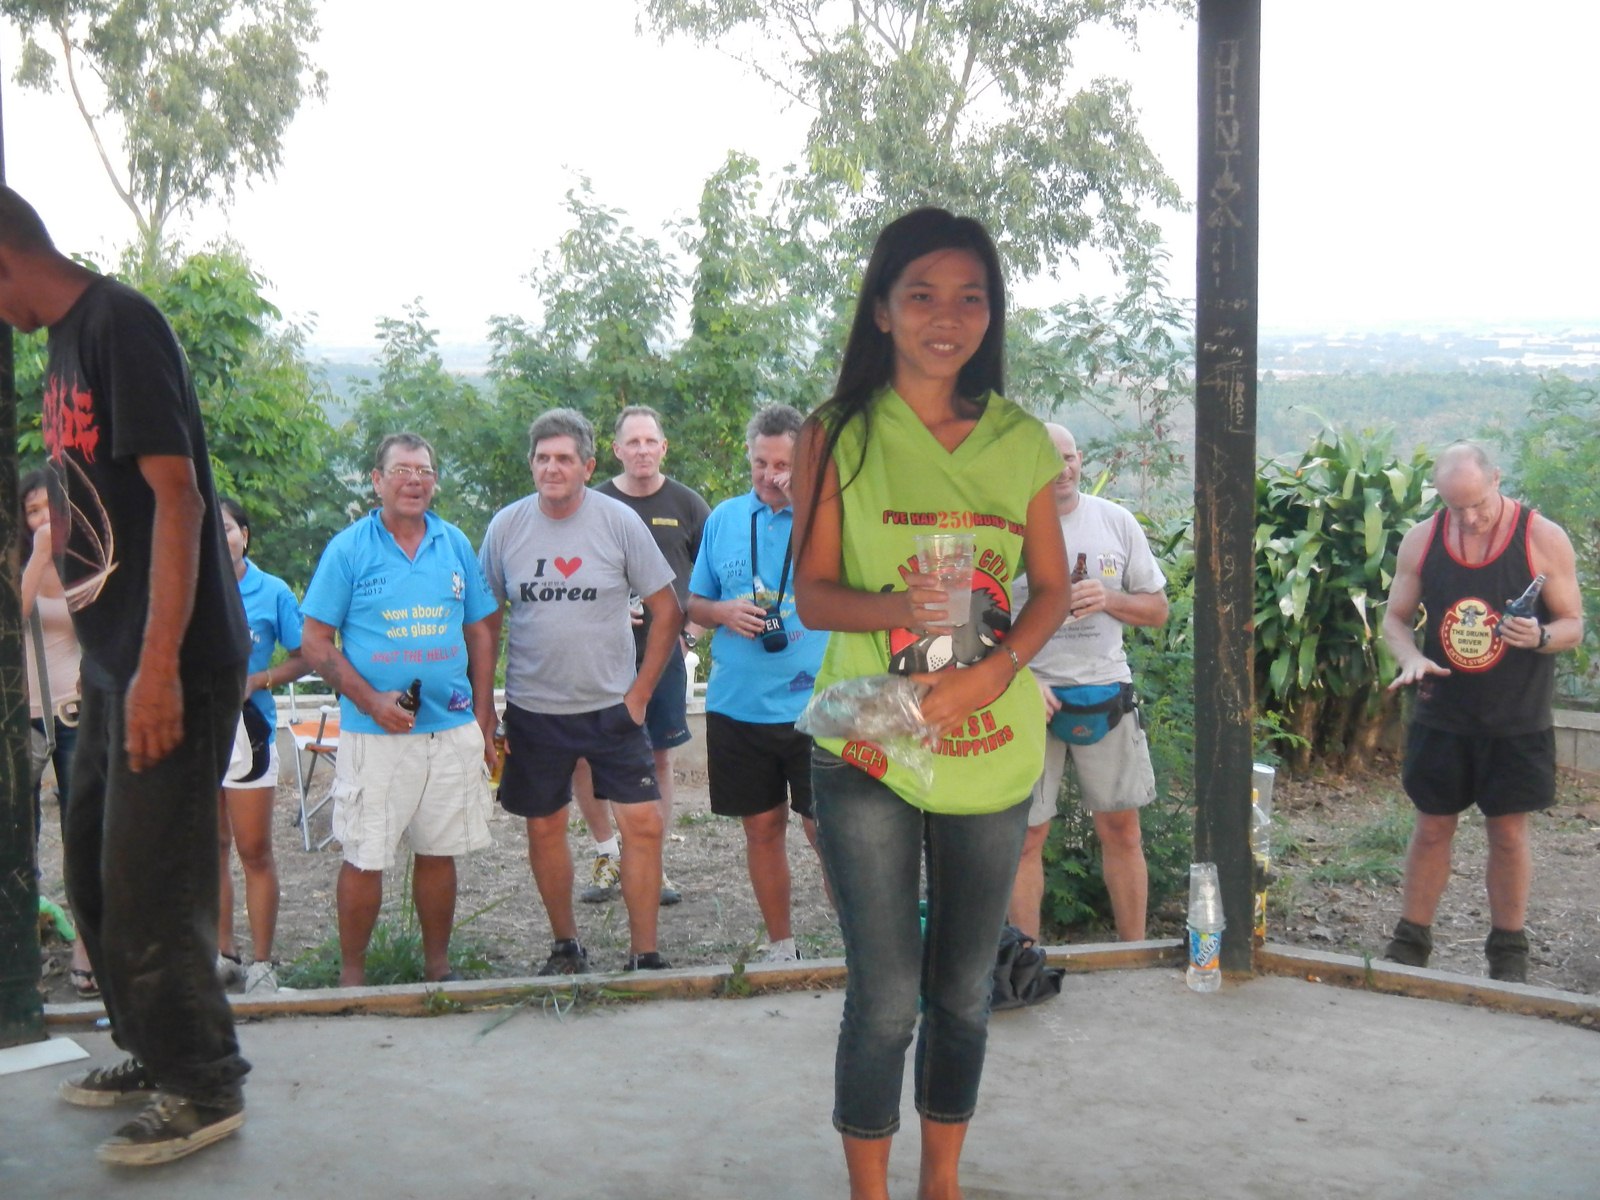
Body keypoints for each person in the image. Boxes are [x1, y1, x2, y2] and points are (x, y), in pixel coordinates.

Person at [791, 208, 1069, 1200]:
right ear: (881, 310)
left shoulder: (1019, 441)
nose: (946, 317)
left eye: (970, 298)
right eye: (921, 295)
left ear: (991, 315)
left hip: (988, 742)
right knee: (886, 999)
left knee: (961, 991)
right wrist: (897, 607)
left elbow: (1051, 589)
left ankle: (940, 1184)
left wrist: (996, 672)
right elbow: (812, 595)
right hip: (869, 737)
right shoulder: (838, 434)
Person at [0, 186, 252, 1166]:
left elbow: (179, 499)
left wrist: (157, 673)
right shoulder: (64, 341)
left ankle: (205, 1082)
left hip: (171, 656)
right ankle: (154, 1053)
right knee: (97, 874)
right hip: (115, 656)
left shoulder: (121, 324)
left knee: (155, 879)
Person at [479, 408, 684, 973]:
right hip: (535, 708)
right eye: (543, 458)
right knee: (545, 826)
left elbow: (667, 610)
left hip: (612, 708)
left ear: (588, 466)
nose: (553, 468)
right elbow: (484, 623)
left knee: (642, 824)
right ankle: (565, 946)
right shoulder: (506, 527)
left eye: (565, 458)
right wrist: (485, 707)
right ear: (531, 464)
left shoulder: (618, 522)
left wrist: (639, 695)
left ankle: (645, 955)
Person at [300, 433, 498, 987]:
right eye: (402, 470)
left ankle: (438, 972)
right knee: (365, 855)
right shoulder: (349, 549)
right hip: (374, 734)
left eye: (425, 471)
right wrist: (370, 700)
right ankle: (352, 981)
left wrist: (483, 717)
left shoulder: (454, 542)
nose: (415, 480)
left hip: (450, 726)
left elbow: (481, 631)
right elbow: (314, 641)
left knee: (440, 852)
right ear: (377, 481)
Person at [1380, 440, 1582, 983]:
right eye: (1455, 507)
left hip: (1516, 716)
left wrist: (1540, 636)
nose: (1468, 518)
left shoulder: (1541, 537)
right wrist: (1411, 657)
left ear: (1497, 480)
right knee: (1431, 827)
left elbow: (1573, 626)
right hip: (1443, 711)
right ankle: (1410, 944)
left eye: (1477, 505)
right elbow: (1396, 619)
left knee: (1509, 833)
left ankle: (1508, 953)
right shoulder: (1423, 539)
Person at [1007, 424, 1169, 944]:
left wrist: (1109, 599)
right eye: (1049, 459)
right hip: (1029, 695)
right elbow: (977, 620)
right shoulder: (1006, 529)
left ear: (1081, 460)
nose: (1062, 469)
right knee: (1026, 837)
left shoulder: (1115, 521)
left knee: (1121, 829)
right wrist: (1018, 678)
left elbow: (1158, 610)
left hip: (1106, 690)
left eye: (1070, 457)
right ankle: (1025, 961)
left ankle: (1133, 953)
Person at [687, 403, 827, 962]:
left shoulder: (825, 519)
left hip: (815, 703)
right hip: (738, 705)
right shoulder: (724, 518)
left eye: (783, 465)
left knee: (827, 830)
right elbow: (693, 602)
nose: (771, 476)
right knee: (762, 828)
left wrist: (806, 504)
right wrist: (722, 612)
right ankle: (782, 946)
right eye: (760, 464)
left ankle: (863, 948)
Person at [574, 405, 710, 906]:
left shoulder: (689, 505)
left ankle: (651, 859)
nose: (642, 450)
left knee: (658, 757)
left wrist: (689, 635)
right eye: (632, 442)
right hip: (598, 654)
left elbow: (714, 576)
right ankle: (607, 852)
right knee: (586, 755)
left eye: (650, 441)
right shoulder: (593, 502)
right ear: (616, 450)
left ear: (664, 447)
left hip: (665, 653)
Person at [214, 498, 308, 995]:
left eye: (227, 527)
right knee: (211, 847)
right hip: (197, 734)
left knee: (254, 850)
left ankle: (263, 963)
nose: (219, 536)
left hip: (248, 733)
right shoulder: (188, 584)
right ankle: (223, 954)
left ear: (244, 535)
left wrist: (258, 680)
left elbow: (305, 656)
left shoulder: (272, 591)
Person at [20, 468, 93, 999]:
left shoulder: (85, 563)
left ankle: (87, 948)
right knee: (18, 834)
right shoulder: (17, 563)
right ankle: (21, 948)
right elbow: (12, 616)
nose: (44, 518)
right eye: (32, 511)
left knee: (82, 829)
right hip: (20, 719)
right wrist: (38, 555)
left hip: (73, 713)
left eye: (51, 507)